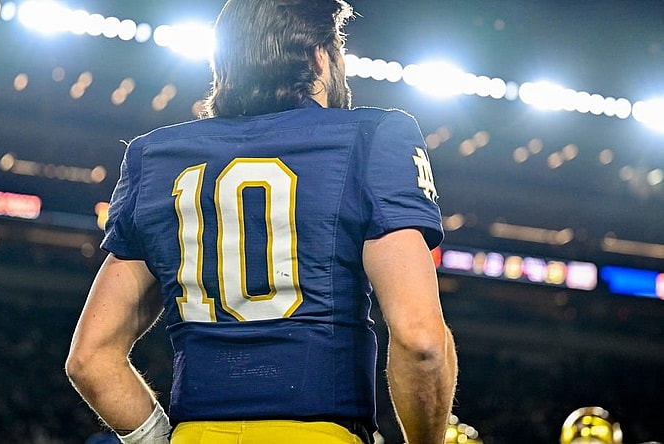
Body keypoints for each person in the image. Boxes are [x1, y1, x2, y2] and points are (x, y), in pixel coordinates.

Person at [65, 0, 458, 443]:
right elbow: (422, 342)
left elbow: (90, 358)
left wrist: (159, 438)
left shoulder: (152, 158)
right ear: (319, 57)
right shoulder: (373, 138)